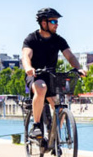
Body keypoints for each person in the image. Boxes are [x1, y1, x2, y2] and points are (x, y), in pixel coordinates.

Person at [22, 8, 86, 138]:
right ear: (43, 23)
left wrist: (78, 68)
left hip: (51, 76)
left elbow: (70, 56)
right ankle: (36, 126)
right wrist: (28, 67)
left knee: (60, 106)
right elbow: (26, 56)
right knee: (41, 88)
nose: (56, 24)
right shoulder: (31, 39)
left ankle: (54, 136)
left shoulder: (58, 40)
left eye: (57, 21)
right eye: (53, 21)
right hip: (35, 75)